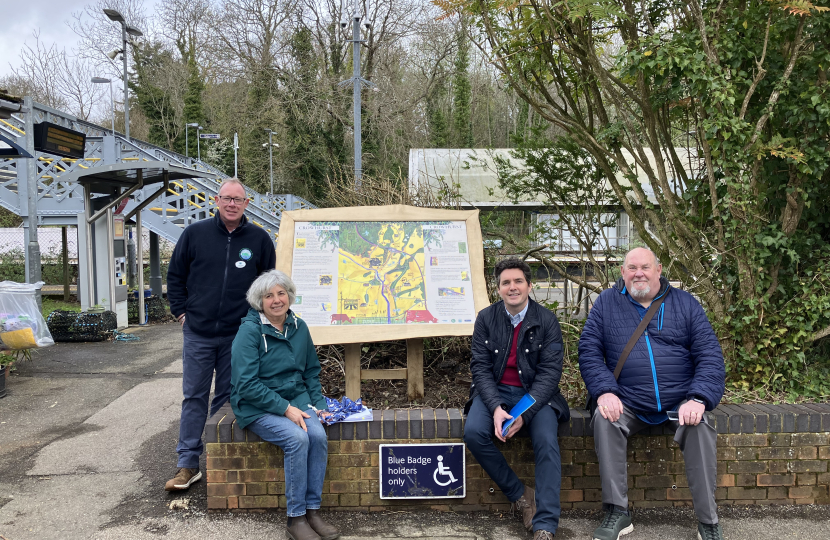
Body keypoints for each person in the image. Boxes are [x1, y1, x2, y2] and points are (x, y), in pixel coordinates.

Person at [578, 247, 725, 540]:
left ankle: (708, 521)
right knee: (605, 420)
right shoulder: (606, 303)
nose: (638, 273)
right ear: (623, 273)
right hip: (628, 400)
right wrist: (605, 391)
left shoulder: (685, 304)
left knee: (700, 427)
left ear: (658, 270)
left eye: (645, 267)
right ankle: (617, 512)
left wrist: (698, 398)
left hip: (679, 400)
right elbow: (589, 352)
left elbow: (710, 356)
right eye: (631, 268)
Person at [164, 178, 276, 491]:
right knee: (194, 396)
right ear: (216, 200)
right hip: (198, 332)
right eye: (226, 198)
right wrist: (181, 312)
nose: (231, 204)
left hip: (238, 335)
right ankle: (187, 464)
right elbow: (175, 275)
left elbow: (268, 286)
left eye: (237, 200)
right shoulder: (195, 234)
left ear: (246, 204)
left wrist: (256, 323)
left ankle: (217, 461)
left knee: (228, 399)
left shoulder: (259, 239)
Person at [463, 258, 570, 540]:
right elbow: (480, 368)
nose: (513, 287)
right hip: (495, 392)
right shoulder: (486, 318)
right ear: (498, 289)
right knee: (473, 433)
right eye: (506, 283)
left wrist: (524, 413)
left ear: (529, 286)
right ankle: (521, 495)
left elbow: (549, 374)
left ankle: (545, 523)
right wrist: (496, 408)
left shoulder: (546, 320)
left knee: (546, 441)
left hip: (536, 395)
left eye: (518, 281)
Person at [231, 270, 338, 540]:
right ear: (260, 301)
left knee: (317, 435)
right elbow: (245, 384)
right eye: (269, 295)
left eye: (281, 293)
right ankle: (296, 518)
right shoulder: (250, 332)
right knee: (297, 439)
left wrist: (317, 404)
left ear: (289, 296)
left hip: (296, 399)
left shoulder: (299, 327)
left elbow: (311, 372)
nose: (277, 300)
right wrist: (284, 408)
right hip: (255, 405)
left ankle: (313, 511)